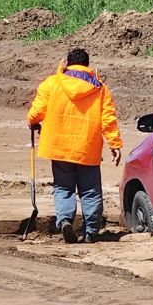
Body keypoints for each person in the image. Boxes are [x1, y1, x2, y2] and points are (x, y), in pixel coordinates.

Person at [27, 48, 123, 244]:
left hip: (59, 147)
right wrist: (115, 144)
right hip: (87, 148)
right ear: (87, 66)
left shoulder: (52, 83)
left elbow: (37, 111)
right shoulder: (100, 88)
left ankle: (64, 221)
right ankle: (91, 232)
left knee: (63, 187)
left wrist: (31, 121)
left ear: (67, 63)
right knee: (90, 191)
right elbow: (108, 119)